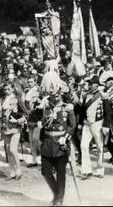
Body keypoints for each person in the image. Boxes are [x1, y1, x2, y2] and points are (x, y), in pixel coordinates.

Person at [38, 71, 76, 206]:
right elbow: (37, 118)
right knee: (45, 171)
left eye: (57, 95)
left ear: (61, 94)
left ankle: (59, 199)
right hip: (48, 143)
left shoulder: (67, 107)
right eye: (52, 95)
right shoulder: (45, 107)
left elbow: (72, 125)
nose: (54, 98)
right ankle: (57, 194)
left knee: (61, 173)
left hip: (61, 144)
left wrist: (65, 137)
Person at [79, 75, 111, 179]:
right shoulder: (86, 95)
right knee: (84, 146)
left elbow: (107, 111)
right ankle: (86, 170)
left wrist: (106, 125)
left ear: (95, 85)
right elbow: (83, 110)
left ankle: (99, 169)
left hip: (98, 123)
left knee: (99, 147)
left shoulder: (103, 95)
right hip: (87, 123)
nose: (88, 85)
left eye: (90, 83)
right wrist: (80, 122)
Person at [0, 82, 26, 179]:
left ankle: (19, 171)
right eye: (5, 90)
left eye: (8, 89)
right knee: (8, 151)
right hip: (5, 128)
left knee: (13, 149)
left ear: (13, 89)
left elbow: (26, 113)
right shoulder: (1, 100)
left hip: (15, 128)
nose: (7, 91)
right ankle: (12, 172)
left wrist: (18, 120)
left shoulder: (17, 99)